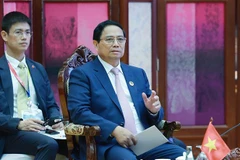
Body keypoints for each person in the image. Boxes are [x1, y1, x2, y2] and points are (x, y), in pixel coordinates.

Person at [67, 20, 186, 160]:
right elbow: (79, 112)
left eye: (120, 39)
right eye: (109, 39)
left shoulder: (137, 74)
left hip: (144, 140)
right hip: (109, 143)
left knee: (182, 155)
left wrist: (152, 111)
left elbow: (155, 116)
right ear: (96, 44)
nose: (116, 44)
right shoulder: (83, 74)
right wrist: (114, 129)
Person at [0, 11, 67, 159]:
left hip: (40, 128)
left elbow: (51, 104)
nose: (24, 37)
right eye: (18, 32)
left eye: (27, 32)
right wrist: (18, 124)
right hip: (11, 132)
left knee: (78, 144)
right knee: (48, 144)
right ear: (4, 35)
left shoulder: (37, 69)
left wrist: (55, 119)